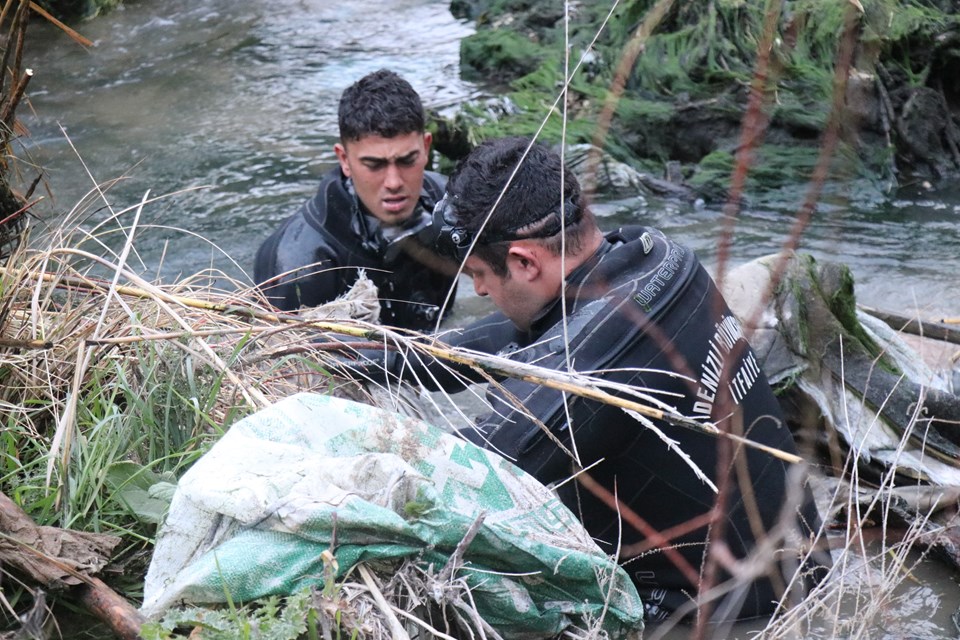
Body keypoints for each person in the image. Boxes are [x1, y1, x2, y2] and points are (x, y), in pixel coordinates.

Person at [340, 136, 829, 623]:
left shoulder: (585, 374)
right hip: (807, 564)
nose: (481, 290)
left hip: (727, 616)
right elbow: (498, 343)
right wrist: (357, 354)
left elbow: (449, 470)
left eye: (478, 274)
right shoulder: (657, 254)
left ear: (526, 261)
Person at [253, 69, 456, 331]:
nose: (393, 182)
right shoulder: (298, 265)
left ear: (426, 148)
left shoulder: (452, 205)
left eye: (407, 161)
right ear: (344, 160)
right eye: (374, 165)